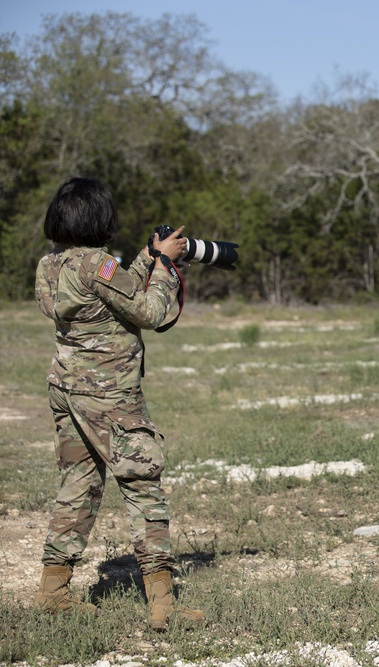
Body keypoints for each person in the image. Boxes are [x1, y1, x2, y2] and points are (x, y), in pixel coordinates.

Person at [33, 177, 205, 630]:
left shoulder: (50, 265)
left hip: (68, 392)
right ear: (100, 219)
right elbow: (147, 311)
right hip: (111, 397)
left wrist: (147, 257)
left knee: (78, 485)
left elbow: (111, 289)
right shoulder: (99, 266)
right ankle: (164, 607)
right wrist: (165, 268)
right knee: (142, 486)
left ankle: (53, 593)